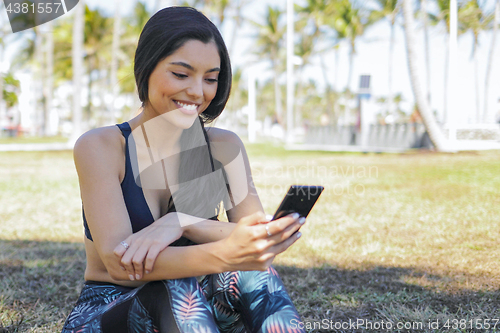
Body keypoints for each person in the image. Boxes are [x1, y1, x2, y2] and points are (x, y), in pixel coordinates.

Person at [62, 6, 306, 333]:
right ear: (146, 68)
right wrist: (226, 253)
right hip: (115, 308)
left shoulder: (223, 146)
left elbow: (256, 240)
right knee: (179, 290)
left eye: (210, 79)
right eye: (181, 74)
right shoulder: (102, 146)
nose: (197, 92)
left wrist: (182, 222)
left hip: (202, 302)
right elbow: (119, 265)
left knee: (257, 275)